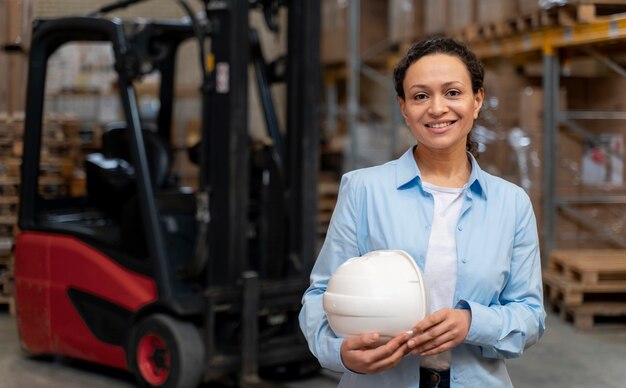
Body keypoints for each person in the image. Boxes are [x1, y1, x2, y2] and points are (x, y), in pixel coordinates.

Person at [299, 37, 546, 388]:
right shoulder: (363, 190)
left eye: (453, 92)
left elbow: (531, 315)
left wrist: (470, 322)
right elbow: (322, 295)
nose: (436, 108)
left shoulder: (512, 203)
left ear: (477, 101)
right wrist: (339, 352)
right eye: (420, 96)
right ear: (403, 107)